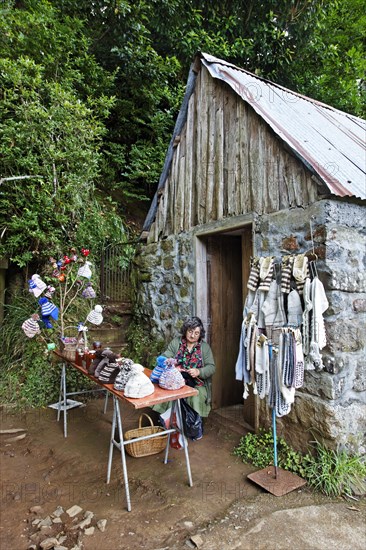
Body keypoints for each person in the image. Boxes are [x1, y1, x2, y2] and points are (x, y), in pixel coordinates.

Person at [152, 316, 216, 420]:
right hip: (175, 381)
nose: (192, 335)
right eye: (190, 331)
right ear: (185, 330)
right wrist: (172, 367)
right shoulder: (176, 342)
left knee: (196, 397)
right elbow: (165, 357)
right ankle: (170, 423)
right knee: (168, 394)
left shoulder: (204, 347)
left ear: (200, 335)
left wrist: (198, 371)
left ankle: (192, 426)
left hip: (197, 382)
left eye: (196, 333)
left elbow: (211, 367)